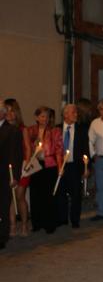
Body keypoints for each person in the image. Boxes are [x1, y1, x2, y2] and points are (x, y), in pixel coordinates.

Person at [28, 106, 63, 234]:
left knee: (49, 195)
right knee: (36, 194)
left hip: (50, 165)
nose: (45, 119)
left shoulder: (55, 131)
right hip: (36, 165)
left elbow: (59, 150)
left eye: (47, 116)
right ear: (37, 117)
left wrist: (60, 167)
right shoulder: (31, 131)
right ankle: (37, 223)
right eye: (42, 116)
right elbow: (27, 148)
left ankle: (50, 223)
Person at [56, 104, 90, 229]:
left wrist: (87, 167)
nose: (76, 114)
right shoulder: (57, 129)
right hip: (60, 165)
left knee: (76, 194)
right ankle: (62, 219)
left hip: (75, 166)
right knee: (61, 193)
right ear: (65, 115)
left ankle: (75, 220)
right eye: (73, 112)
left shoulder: (81, 129)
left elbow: (86, 150)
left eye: (76, 112)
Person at [4, 99, 31, 236]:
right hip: (8, 169)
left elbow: (27, 148)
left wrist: (25, 166)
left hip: (22, 168)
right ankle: (13, 225)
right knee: (10, 198)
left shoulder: (22, 129)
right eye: (6, 110)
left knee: (20, 196)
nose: (9, 113)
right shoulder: (4, 128)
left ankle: (25, 224)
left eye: (11, 110)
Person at [0, 100, 23, 249]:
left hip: (3, 175)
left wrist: (14, 176)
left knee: (2, 207)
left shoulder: (13, 130)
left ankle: (2, 237)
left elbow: (16, 155)